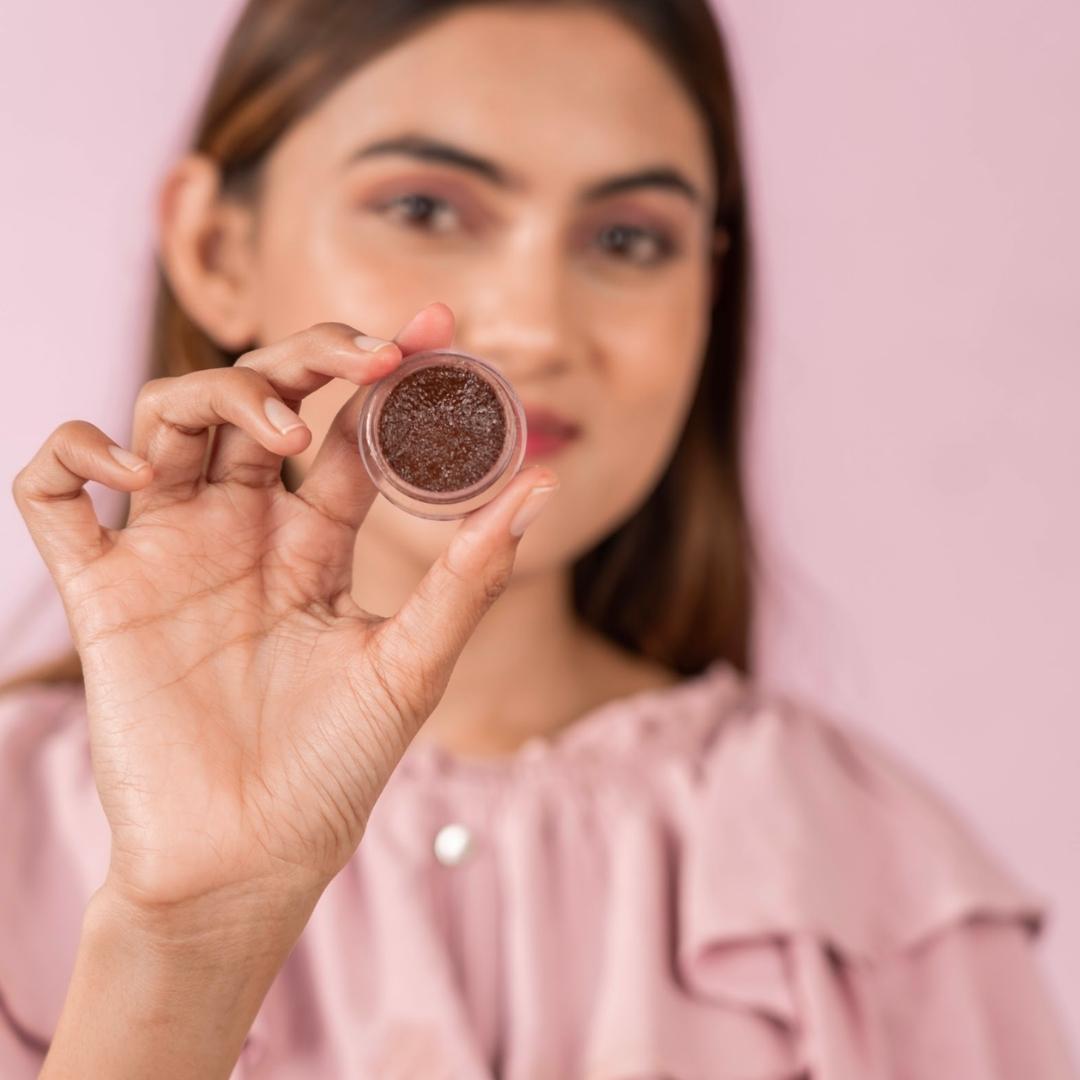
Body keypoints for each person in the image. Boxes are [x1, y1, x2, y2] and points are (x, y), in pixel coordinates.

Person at [3, 1, 1076, 1077]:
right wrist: (182, 944)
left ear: (709, 288)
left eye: (627, 238)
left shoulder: (882, 885)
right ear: (214, 246)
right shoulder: (17, 840)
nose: (534, 324)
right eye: (424, 207)